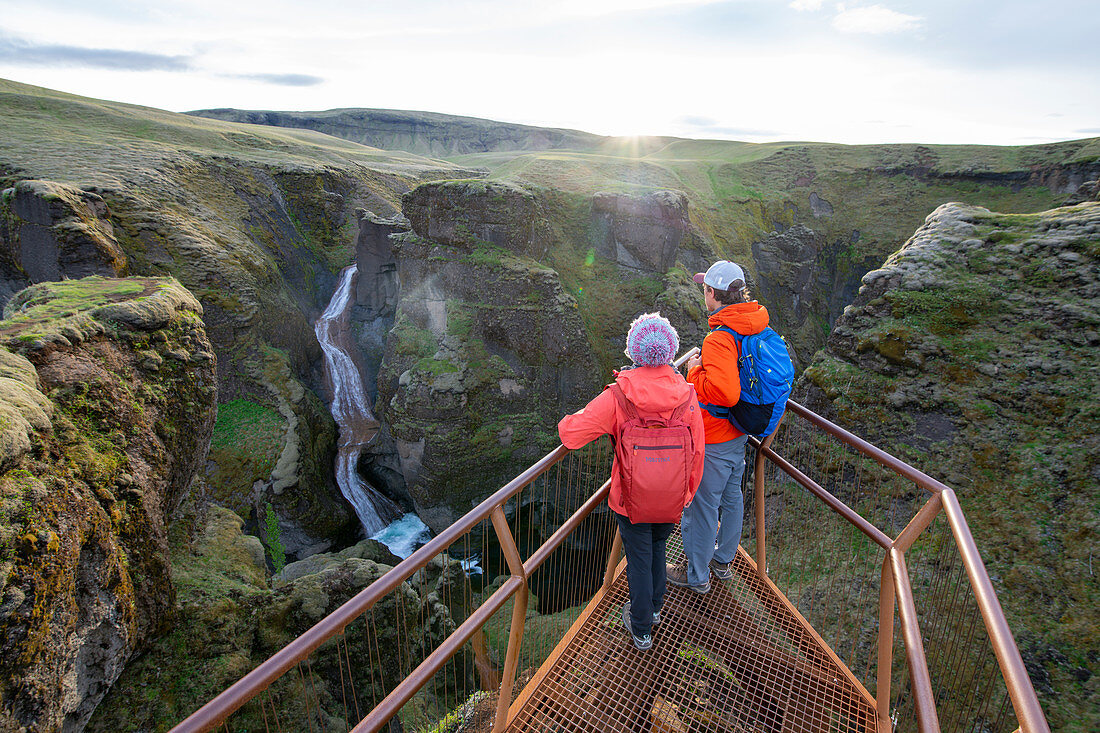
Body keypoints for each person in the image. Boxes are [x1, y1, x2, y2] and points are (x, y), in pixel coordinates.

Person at [558, 313, 705, 650]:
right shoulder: (686, 395)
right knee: (656, 547)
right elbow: (697, 451)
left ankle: (641, 629)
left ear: (634, 352)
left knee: (638, 558)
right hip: (671, 497)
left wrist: (566, 418)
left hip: (630, 499)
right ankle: (654, 607)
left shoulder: (619, 395)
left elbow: (572, 435)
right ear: (670, 352)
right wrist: (686, 493)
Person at [667, 260, 770, 593]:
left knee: (700, 507)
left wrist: (694, 372)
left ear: (714, 294)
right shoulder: (752, 324)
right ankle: (723, 561)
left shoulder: (719, 338)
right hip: (740, 430)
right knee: (731, 497)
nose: (703, 294)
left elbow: (726, 393)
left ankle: (696, 577)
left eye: (705, 290)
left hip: (714, 436)